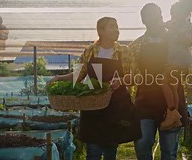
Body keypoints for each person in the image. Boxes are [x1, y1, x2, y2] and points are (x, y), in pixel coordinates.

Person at [47, 17, 141, 160]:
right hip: (92, 104)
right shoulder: (89, 51)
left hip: (115, 104)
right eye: (112, 27)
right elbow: (78, 75)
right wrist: (58, 78)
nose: (117, 30)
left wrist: (121, 81)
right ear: (101, 31)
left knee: (110, 148)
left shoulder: (124, 51)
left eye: (117, 27)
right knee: (93, 150)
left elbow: (135, 76)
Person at [128, 3, 190, 160]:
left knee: (169, 150)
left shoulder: (175, 40)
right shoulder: (136, 45)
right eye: (150, 17)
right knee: (142, 143)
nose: (155, 20)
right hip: (145, 100)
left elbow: (186, 66)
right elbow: (133, 73)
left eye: (157, 16)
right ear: (144, 21)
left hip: (171, 100)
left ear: (161, 16)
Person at [160, 0, 192, 130]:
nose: (172, 16)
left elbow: (187, 41)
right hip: (176, 61)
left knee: (163, 82)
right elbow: (163, 25)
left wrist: (173, 28)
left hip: (177, 61)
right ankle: (174, 116)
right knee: (173, 87)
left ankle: (172, 112)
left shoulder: (187, 27)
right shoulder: (178, 25)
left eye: (174, 13)